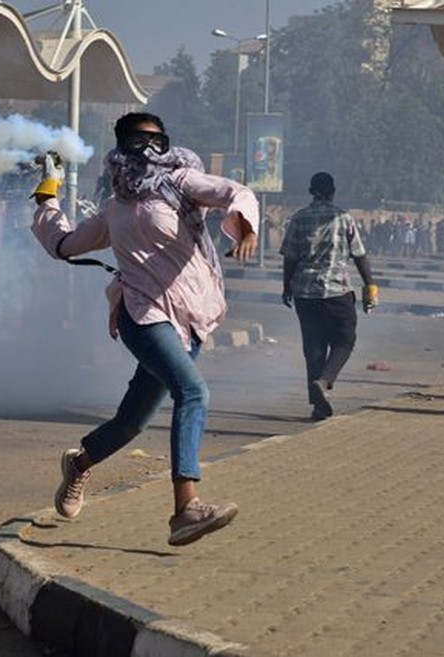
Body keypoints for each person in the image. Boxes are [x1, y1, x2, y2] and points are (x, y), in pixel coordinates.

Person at [29, 112, 259, 546]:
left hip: (188, 317)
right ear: (121, 145)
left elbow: (234, 192)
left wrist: (245, 225)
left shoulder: (180, 182)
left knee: (132, 423)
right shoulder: (115, 208)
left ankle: (79, 464)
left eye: (159, 141)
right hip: (141, 313)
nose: (150, 150)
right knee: (193, 392)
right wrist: (48, 192)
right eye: (141, 140)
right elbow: (62, 244)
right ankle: (186, 509)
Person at [281, 172, 377, 421]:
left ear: (310, 191)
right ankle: (324, 382)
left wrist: (286, 287)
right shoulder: (344, 218)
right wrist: (370, 285)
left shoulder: (298, 218)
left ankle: (318, 406)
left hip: (305, 293)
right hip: (337, 291)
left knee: (314, 347)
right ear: (333, 191)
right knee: (345, 340)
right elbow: (359, 255)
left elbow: (290, 257)